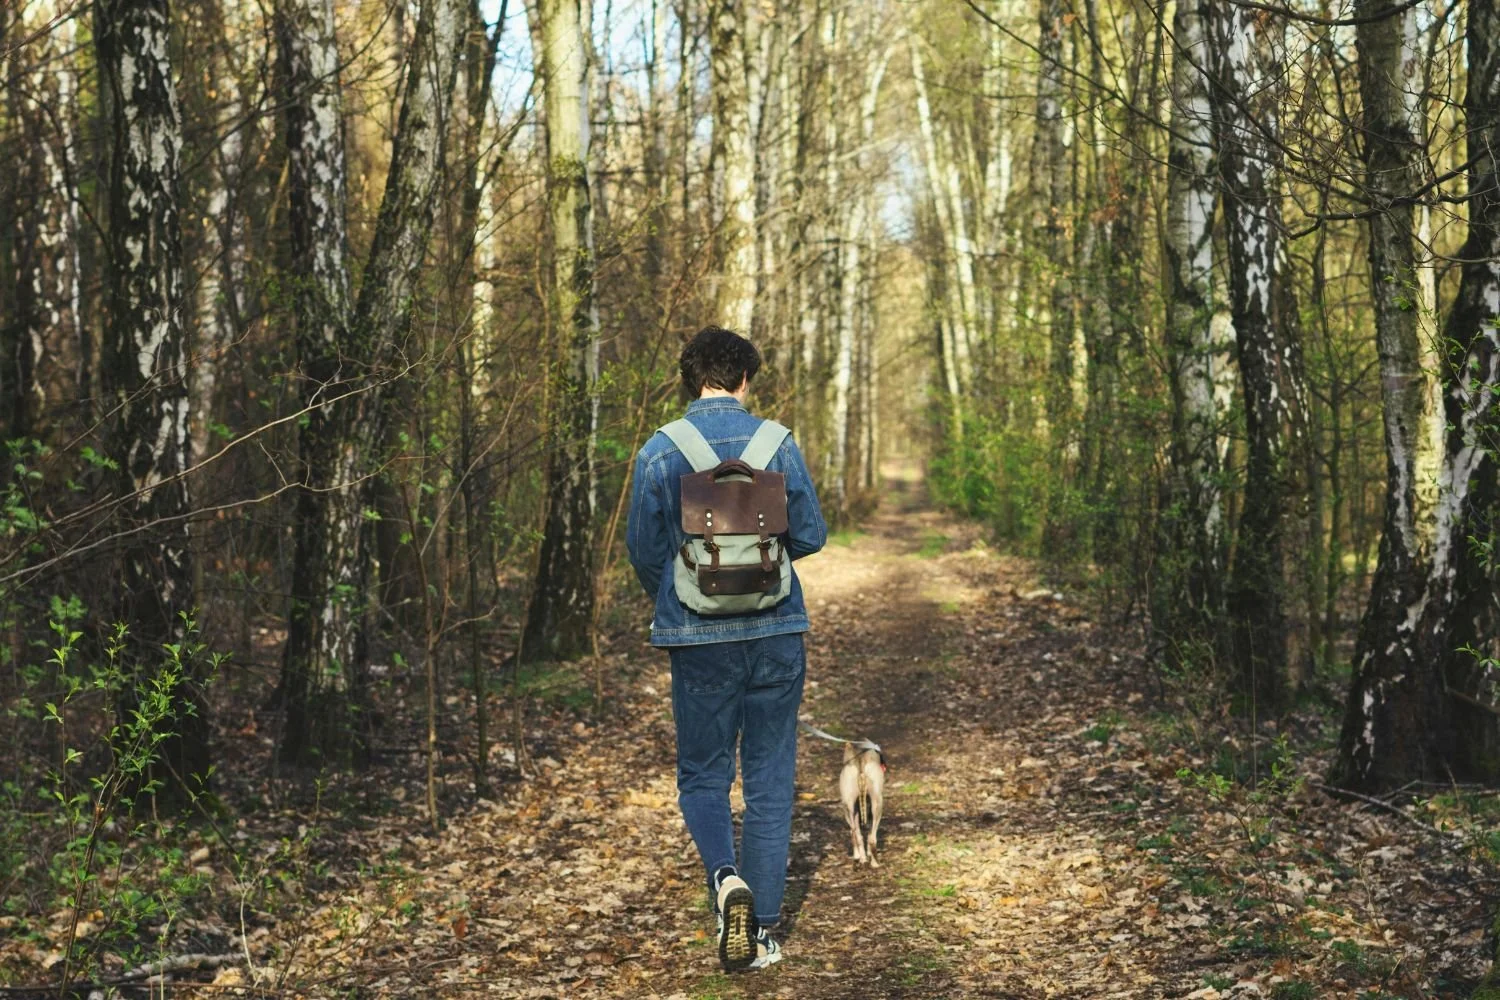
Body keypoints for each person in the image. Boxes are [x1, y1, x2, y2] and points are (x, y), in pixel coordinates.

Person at [626, 325, 828, 972]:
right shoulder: (777, 443)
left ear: (691, 381)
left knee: (703, 775)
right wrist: (762, 561)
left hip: (698, 639)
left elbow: (644, 551)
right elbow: (812, 535)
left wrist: (685, 593)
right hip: (775, 631)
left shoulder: (660, 450)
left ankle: (724, 878)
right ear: (745, 379)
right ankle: (761, 930)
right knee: (770, 777)